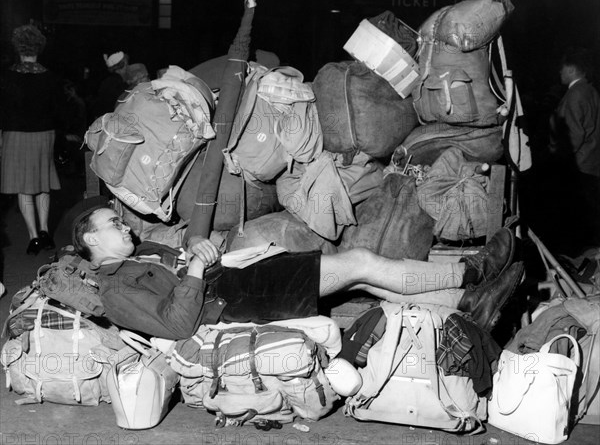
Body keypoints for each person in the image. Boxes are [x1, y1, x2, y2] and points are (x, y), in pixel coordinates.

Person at [72, 207, 523, 340]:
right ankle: (470, 272)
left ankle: (467, 305)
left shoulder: (142, 250)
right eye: (112, 225)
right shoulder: (111, 287)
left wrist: (194, 248)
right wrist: (194, 269)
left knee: (361, 280)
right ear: (91, 240)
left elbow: (184, 253)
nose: (125, 225)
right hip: (231, 302)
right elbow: (175, 324)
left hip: (233, 276)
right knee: (360, 262)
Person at [0, 24, 63, 255]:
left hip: (15, 134)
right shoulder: (51, 77)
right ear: (39, 48)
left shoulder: (6, 76)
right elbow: (58, 110)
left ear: (17, 48)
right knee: (42, 183)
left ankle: (34, 237)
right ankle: (45, 231)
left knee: (24, 187)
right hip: (44, 134)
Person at [548, 47, 600, 253]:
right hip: (592, 163)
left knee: (576, 216)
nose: (559, 73)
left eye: (562, 68)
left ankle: (576, 255)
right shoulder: (590, 90)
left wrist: (556, 160)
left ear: (571, 69)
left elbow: (573, 136)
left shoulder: (575, 93)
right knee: (588, 216)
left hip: (579, 166)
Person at [89, 51, 129, 121]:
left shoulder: (107, 81)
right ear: (123, 65)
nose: (127, 67)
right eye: (126, 64)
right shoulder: (118, 84)